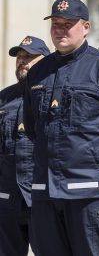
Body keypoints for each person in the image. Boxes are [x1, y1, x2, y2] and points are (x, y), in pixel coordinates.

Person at [23, 0, 99, 256]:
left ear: (86, 27)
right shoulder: (38, 72)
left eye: (68, 24)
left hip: (89, 190)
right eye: (56, 23)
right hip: (46, 190)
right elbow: (33, 128)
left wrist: (98, 159)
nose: (60, 30)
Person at [0, 36, 49, 256]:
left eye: (29, 57)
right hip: (7, 197)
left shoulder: (51, 94)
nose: (22, 61)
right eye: (20, 57)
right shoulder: (3, 98)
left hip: (41, 197)